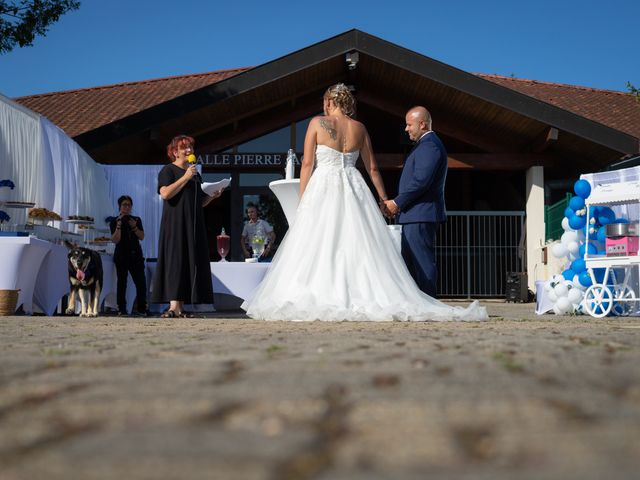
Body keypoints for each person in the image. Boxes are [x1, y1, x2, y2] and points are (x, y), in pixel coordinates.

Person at [241, 84, 487, 321]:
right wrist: (383, 200)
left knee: (320, 241)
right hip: (353, 186)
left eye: (324, 102)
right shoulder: (359, 128)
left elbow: (307, 164)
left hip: (324, 187)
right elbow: (372, 169)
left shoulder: (318, 123)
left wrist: (303, 200)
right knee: (357, 242)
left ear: (329, 102)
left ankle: (323, 292)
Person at [151, 135, 222, 318]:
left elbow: (199, 202)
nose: (189, 150)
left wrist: (212, 196)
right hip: (175, 224)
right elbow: (165, 193)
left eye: (191, 147)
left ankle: (181, 307)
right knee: (176, 261)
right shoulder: (168, 170)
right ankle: (173, 307)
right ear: (175, 152)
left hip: (192, 224)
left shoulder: (195, 173)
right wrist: (185, 177)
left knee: (188, 261)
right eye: (185, 148)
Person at [384, 106, 446, 297]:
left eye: (409, 124)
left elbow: (421, 181)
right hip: (414, 215)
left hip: (420, 214)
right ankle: (418, 302)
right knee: (411, 263)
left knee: (422, 261)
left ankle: (428, 301)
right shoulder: (425, 146)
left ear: (422, 124)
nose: (406, 129)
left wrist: (397, 202)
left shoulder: (430, 146)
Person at [110, 195, 148, 316]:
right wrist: (119, 225)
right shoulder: (114, 221)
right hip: (121, 255)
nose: (126, 207)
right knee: (122, 282)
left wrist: (134, 227)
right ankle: (121, 308)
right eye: (124, 205)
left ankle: (142, 308)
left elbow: (141, 237)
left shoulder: (136, 219)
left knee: (141, 282)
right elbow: (115, 240)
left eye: (129, 205)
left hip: (136, 255)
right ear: (119, 207)